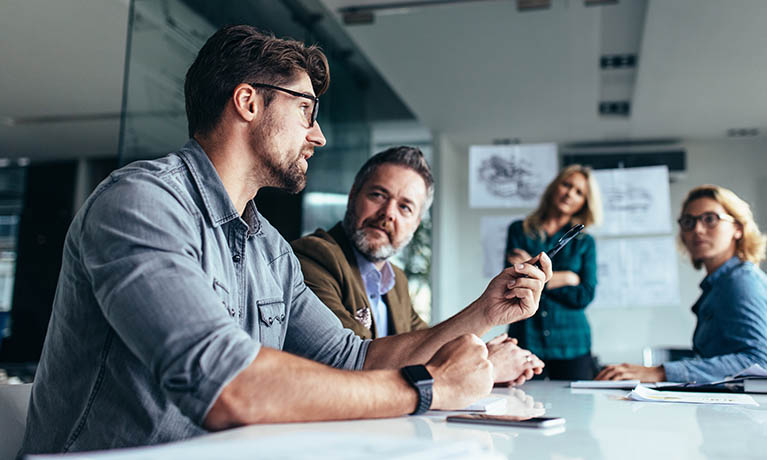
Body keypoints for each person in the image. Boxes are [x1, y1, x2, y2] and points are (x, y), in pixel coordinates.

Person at [19, 25, 552, 455]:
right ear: (248, 103)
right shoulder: (140, 203)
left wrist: (485, 312)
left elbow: (354, 358)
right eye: (305, 110)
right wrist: (428, 387)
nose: (317, 134)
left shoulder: (269, 248)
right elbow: (227, 384)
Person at [292, 146, 544, 385]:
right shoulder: (313, 258)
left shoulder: (396, 280)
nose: (388, 213)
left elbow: (428, 348)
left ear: (416, 223)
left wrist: (483, 354)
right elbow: (356, 364)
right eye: (378, 195)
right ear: (353, 195)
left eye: (405, 207)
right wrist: (487, 363)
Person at [596, 185, 767, 383]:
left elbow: (760, 362)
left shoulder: (741, 282)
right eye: (688, 222)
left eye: (710, 219)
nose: (697, 230)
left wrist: (660, 372)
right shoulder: (720, 285)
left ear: (738, 228)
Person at [505, 164, 602, 380]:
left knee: (577, 410)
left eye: (579, 192)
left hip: (572, 343)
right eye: (566, 185)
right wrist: (567, 278)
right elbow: (514, 284)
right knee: (523, 406)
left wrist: (537, 278)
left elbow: (584, 295)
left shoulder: (585, 242)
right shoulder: (519, 231)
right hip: (527, 338)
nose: (570, 194)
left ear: (584, 203)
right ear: (554, 187)